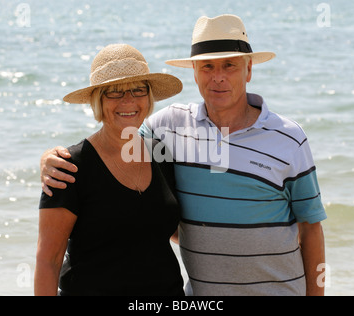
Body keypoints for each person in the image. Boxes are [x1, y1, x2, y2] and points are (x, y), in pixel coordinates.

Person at [40, 15, 327, 296]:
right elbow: (110, 149)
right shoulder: (168, 129)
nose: (218, 77)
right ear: (195, 73)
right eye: (207, 67)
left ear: (248, 69)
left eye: (229, 65)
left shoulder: (289, 138)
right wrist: (50, 159)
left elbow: (311, 228)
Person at [34, 44, 185, 296]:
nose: (129, 100)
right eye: (114, 92)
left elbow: (171, 230)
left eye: (138, 89)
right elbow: (48, 261)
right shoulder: (69, 166)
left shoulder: (161, 153)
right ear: (97, 100)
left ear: (148, 97)